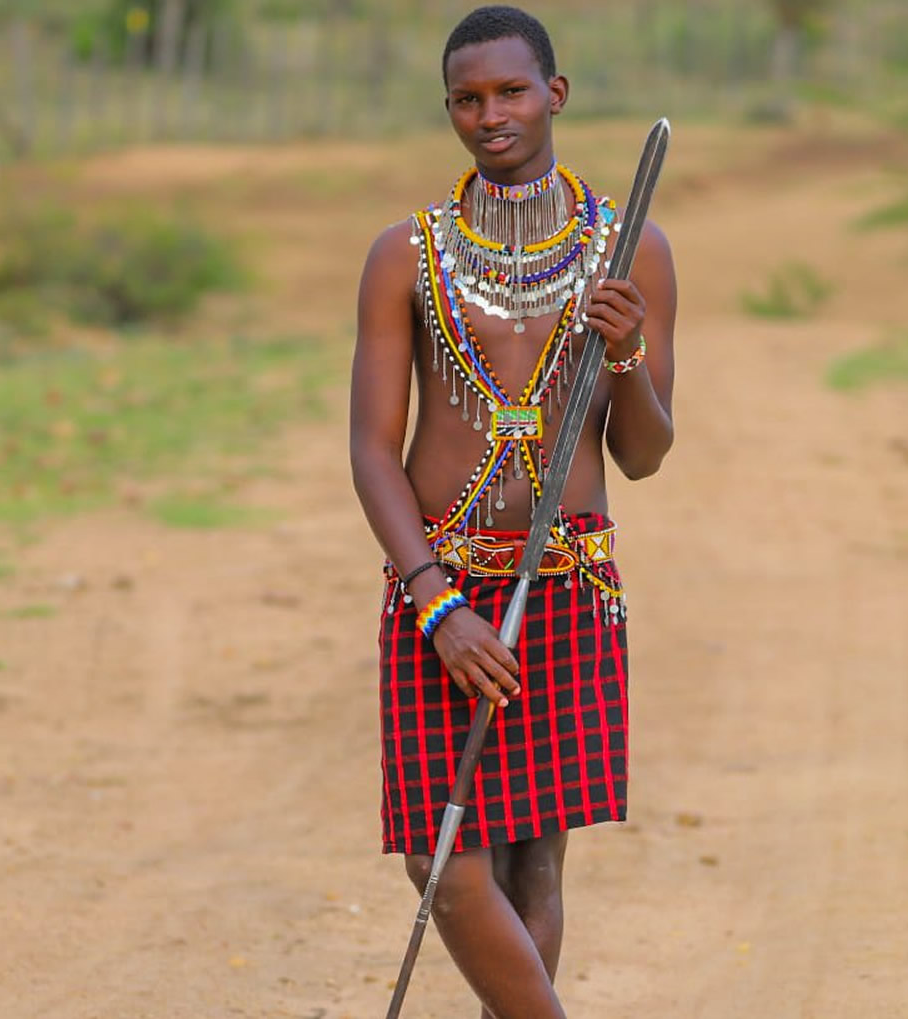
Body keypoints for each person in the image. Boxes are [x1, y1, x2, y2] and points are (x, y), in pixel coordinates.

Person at [348, 5, 677, 1016]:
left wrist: (621, 351)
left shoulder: (631, 250)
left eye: (509, 92)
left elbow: (644, 452)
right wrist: (436, 603)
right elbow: (370, 448)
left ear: (554, 94)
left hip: (566, 579)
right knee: (441, 860)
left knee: (534, 869)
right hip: (440, 587)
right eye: (466, 98)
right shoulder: (405, 254)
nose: (488, 115)